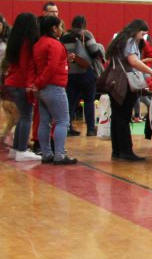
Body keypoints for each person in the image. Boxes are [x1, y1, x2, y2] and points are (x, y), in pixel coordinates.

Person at [105, 20, 152, 161]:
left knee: (117, 117)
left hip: (114, 82)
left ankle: (117, 150)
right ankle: (126, 151)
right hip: (124, 82)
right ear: (136, 30)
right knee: (123, 117)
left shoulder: (119, 40)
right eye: (142, 34)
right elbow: (133, 61)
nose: (142, 37)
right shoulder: (130, 41)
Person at [31, 16, 75, 165]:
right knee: (62, 121)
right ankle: (60, 155)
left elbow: (42, 65)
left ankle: (46, 153)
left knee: (44, 121)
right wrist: (40, 82)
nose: (62, 30)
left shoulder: (38, 44)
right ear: (54, 28)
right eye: (60, 27)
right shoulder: (54, 44)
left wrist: (37, 84)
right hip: (54, 87)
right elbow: (51, 68)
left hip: (42, 90)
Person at [3, 14, 40, 161]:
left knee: (21, 117)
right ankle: (21, 150)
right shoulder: (26, 43)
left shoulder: (14, 41)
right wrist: (30, 85)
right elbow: (26, 66)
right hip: (20, 83)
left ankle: (16, 149)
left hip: (11, 82)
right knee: (26, 116)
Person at [61, 16, 104, 137]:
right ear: (84, 24)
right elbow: (95, 51)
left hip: (70, 73)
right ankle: (90, 129)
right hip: (85, 72)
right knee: (89, 101)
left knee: (70, 101)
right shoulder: (86, 34)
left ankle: (68, 127)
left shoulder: (64, 37)